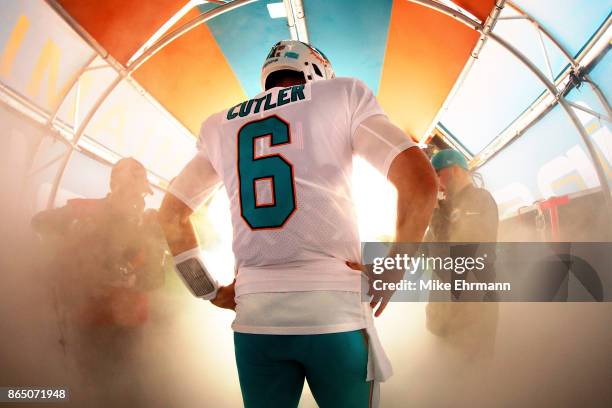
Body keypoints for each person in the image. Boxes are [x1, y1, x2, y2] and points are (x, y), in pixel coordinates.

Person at [159, 40, 437, 408]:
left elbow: (171, 213)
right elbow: (420, 181)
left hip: (255, 317)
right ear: (318, 70)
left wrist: (207, 290)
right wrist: (395, 267)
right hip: (333, 313)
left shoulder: (219, 124)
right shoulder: (343, 94)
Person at [32, 157, 168, 406]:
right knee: (89, 390)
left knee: (127, 393)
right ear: (114, 185)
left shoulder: (148, 228)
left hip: (128, 330)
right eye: (127, 188)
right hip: (88, 323)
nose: (136, 198)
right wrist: (73, 239)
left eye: (139, 192)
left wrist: (134, 277)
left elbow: (157, 279)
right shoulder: (85, 210)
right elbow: (39, 222)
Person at [425, 148, 499, 359]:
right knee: (441, 375)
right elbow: (429, 252)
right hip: (443, 314)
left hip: (472, 312)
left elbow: (462, 249)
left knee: (469, 377)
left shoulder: (480, 200)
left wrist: (433, 212)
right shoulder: (442, 207)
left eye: (438, 174)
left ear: (455, 169)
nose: (436, 182)